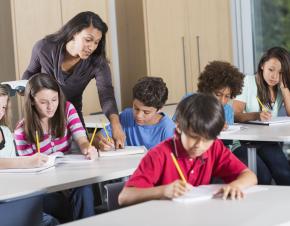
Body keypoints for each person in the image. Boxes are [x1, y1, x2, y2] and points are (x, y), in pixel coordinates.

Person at [118, 94, 257, 206]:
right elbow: (124, 197)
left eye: (206, 139)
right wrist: (163, 191)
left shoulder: (214, 147)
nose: (199, 145)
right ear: (178, 127)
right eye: (193, 137)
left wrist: (235, 185)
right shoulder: (160, 154)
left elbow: (250, 176)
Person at [22, 11, 125, 148]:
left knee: (84, 151)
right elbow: (30, 72)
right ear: (74, 33)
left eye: (96, 42)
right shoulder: (45, 47)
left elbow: (106, 93)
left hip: (73, 115)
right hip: (41, 116)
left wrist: (116, 124)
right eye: (88, 40)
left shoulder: (97, 62)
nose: (92, 47)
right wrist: (24, 88)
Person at [14, 73, 98, 223]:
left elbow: (82, 140)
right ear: (32, 101)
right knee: (70, 210)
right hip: (44, 188)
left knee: (84, 189)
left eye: (54, 99)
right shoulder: (21, 132)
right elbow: (29, 173)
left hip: (70, 178)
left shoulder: (67, 109)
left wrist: (87, 148)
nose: (50, 107)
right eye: (43, 102)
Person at [0, 84, 58, 226]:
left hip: (15, 197)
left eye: (2, 107)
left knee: (51, 221)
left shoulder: (6, 132)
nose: (0, 111)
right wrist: (26, 162)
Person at [233, 46, 290, 185]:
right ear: (263, 65)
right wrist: (256, 115)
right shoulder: (247, 81)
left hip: (267, 141)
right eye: (271, 70)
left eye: (280, 73)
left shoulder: (279, 88)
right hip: (242, 142)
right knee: (262, 176)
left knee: (285, 174)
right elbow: (235, 115)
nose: (274, 76)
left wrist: (284, 88)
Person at [95, 77, 175, 150]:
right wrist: (101, 143)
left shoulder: (167, 129)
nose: (138, 115)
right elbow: (96, 138)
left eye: (146, 112)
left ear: (159, 109)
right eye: (136, 108)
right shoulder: (127, 115)